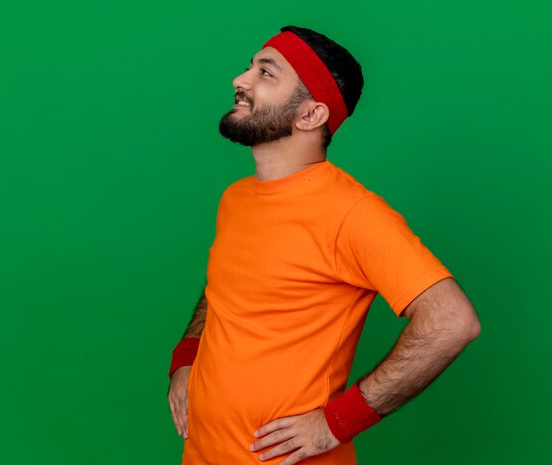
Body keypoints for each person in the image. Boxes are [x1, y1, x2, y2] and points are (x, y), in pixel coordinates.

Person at [167, 25, 481, 465]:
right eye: (249, 66)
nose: (240, 80)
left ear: (311, 115)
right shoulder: (236, 198)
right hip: (203, 453)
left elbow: (452, 320)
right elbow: (224, 286)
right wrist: (186, 358)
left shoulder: (352, 214)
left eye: (266, 73)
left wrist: (337, 423)